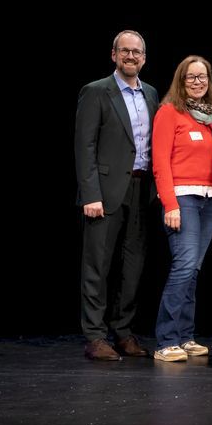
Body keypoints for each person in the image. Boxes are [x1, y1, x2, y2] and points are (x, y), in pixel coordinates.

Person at [75, 30, 159, 361]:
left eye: (136, 52)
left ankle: (123, 332)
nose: (130, 56)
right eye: (124, 51)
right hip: (105, 192)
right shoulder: (96, 91)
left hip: (141, 189)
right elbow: (85, 147)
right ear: (114, 55)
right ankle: (95, 336)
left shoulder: (151, 93)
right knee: (97, 265)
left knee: (133, 266)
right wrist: (90, 194)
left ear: (144, 58)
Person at [152, 55, 212, 362]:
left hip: (208, 198)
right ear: (181, 80)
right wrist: (170, 204)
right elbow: (160, 163)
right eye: (191, 77)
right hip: (183, 199)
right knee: (184, 265)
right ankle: (166, 340)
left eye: (202, 77)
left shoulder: (206, 117)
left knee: (193, 269)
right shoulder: (169, 112)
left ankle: (185, 336)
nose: (197, 82)